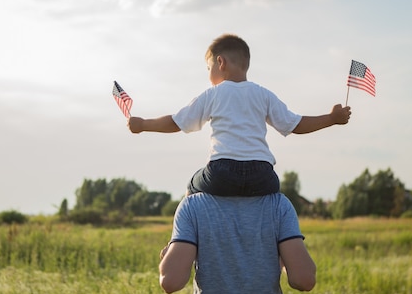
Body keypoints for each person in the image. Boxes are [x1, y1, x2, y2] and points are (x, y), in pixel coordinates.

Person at [128, 33, 351, 196]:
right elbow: (295, 124)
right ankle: (282, 252)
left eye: (208, 69)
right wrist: (332, 119)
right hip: (262, 174)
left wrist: (144, 124)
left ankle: (179, 240)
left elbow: (177, 122)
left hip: (222, 171)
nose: (209, 75)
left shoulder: (213, 94)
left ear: (220, 63)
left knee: (192, 187)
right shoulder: (263, 94)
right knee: (276, 203)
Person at [159, 192, 316, 294]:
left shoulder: (192, 205)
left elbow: (170, 282)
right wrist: (281, 255)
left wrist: (172, 250)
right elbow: (304, 279)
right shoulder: (279, 204)